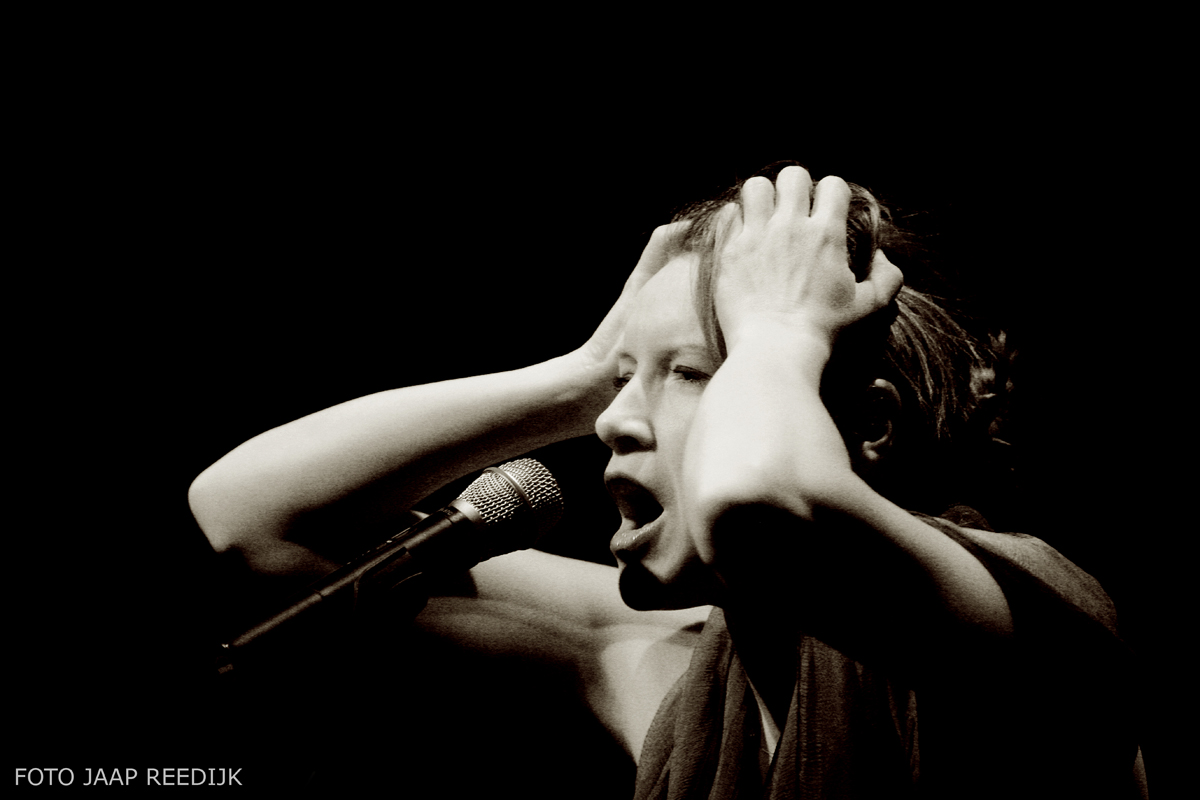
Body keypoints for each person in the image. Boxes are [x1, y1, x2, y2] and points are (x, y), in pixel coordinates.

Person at [190, 163, 1147, 797]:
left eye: (689, 373)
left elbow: (761, 501)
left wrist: (780, 329)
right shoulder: (667, 671)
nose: (611, 424)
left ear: (871, 428)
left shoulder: (1016, 623)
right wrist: (576, 376)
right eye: (620, 387)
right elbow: (256, 524)